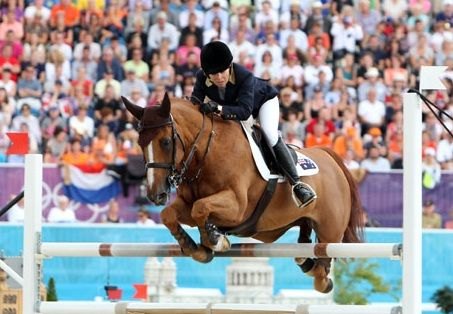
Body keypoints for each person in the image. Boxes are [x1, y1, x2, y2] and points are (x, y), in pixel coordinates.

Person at [192, 41, 316, 208]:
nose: (219, 77)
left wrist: (218, 108)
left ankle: (297, 184)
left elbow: (244, 112)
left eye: (222, 72)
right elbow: (194, 103)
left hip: (262, 103)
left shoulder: (244, 76)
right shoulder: (201, 78)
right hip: (234, 109)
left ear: (229, 66)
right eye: (214, 74)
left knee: (269, 134)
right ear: (207, 73)